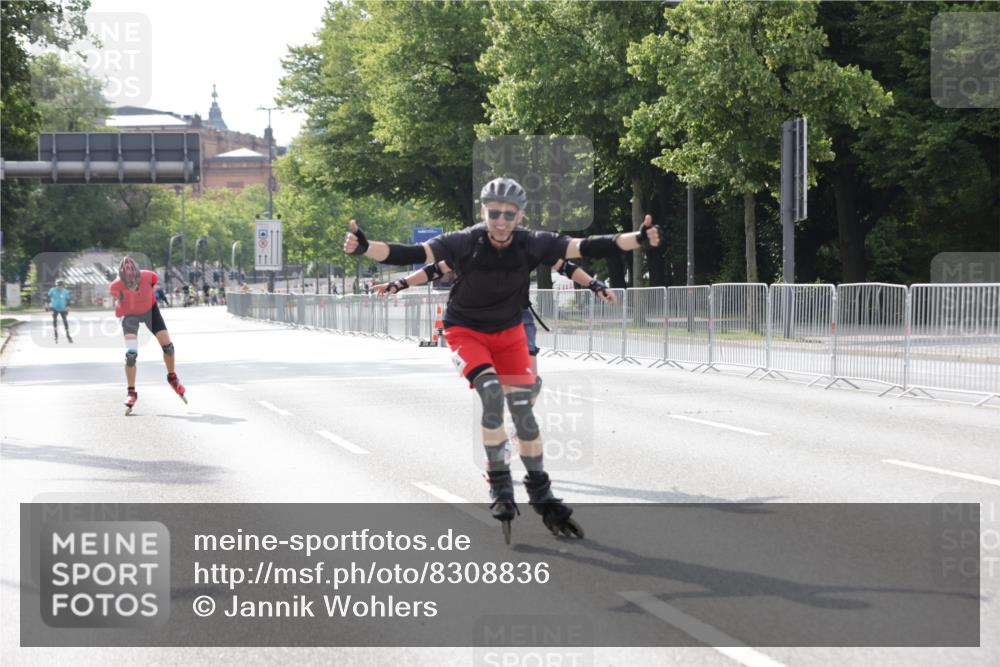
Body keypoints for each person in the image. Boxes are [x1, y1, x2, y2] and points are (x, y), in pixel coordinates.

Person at [345, 176, 661, 541]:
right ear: (484, 211)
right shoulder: (463, 241)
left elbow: (583, 247)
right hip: (466, 330)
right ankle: (499, 483)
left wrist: (636, 239)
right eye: (494, 213)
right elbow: (412, 254)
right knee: (492, 394)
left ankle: (540, 491)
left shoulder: (532, 242)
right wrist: (365, 248)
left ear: (520, 215)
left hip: (509, 331)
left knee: (524, 410)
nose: (501, 221)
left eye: (509, 215)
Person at [374, 258, 616, 403]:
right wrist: (400, 283)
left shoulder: (527, 244)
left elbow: (564, 266)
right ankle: (497, 434)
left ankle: (516, 429)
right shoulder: (473, 244)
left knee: (529, 383)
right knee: (493, 386)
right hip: (480, 319)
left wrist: (595, 285)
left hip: (518, 316)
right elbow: (436, 269)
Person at [109, 256, 187, 414]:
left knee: (168, 347)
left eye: (135, 280)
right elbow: (118, 304)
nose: (132, 284)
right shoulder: (115, 286)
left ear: (139, 275)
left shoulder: (148, 276)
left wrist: (146, 297)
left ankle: (172, 377)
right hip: (130, 315)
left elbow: (153, 284)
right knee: (131, 355)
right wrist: (121, 307)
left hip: (150, 311)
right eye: (128, 282)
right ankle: (131, 392)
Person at [46, 279, 73, 343]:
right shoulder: (52, 290)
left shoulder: (66, 291)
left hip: (63, 308)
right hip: (54, 308)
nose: (59, 287)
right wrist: (47, 306)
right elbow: (47, 298)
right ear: (56, 285)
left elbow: (68, 300)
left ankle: (68, 336)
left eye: (60, 286)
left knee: (65, 321)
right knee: (55, 320)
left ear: (63, 286)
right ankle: (56, 335)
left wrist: (68, 307)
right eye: (58, 286)